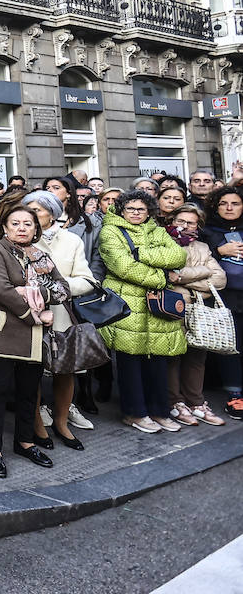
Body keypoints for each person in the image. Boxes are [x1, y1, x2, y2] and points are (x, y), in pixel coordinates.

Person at [0, 205, 70, 477]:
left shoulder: (41, 255)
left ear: (35, 228)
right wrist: (36, 313)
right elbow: (1, 290)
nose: (21, 228)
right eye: (15, 223)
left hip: (34, 337)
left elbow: (62, 288)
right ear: (5, 227)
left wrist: (31, 291)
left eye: (27, 224)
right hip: (2, 333)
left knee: (30, 391)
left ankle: (25, 442)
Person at [98, 190, 187, 434]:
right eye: (131, 209)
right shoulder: (110, 231)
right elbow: (123, 267)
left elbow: (179, 255)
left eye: (141, 209)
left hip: (155, 305)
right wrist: (162, 276)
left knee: (158, 360)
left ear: (149, 211)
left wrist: (142, 254)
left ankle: (160, 411)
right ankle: (134, 413)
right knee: (130, 362)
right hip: (127, 305)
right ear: (121, 210)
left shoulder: (157, 230)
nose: (136, 213)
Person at [23, 191, 96, 450]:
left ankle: (62, 422)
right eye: (29, 210)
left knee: (65, 371)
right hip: (29, 316)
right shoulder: (20, 240)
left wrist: (55, 289)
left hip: (63, 315)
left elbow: (87, 279)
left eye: (38, 210)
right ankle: (37, 425)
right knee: (31, 373)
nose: (32, 216)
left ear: (53, 213)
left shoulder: (71, 240)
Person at [164, 205, 228, 427]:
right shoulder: (164, 242)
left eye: (190, 223)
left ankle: (196, 402)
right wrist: (204, 273)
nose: (184, 226)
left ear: (198, 226)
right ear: (172, 220)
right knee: (174, 355)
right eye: (180, 220)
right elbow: (166, 277)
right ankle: (175, 403)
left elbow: (221, 279)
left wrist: (183, 277)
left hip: (198, 308)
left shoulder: (202, 246)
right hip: (174, 307)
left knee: (197, 356)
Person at [199, 185, 243, 419]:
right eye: (224, 203)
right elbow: (197, 256)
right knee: (231, 347)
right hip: (225, 298)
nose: (229, 208)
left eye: (235, 203)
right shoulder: (207, 231)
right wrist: (219, 250)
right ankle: (235, 394)